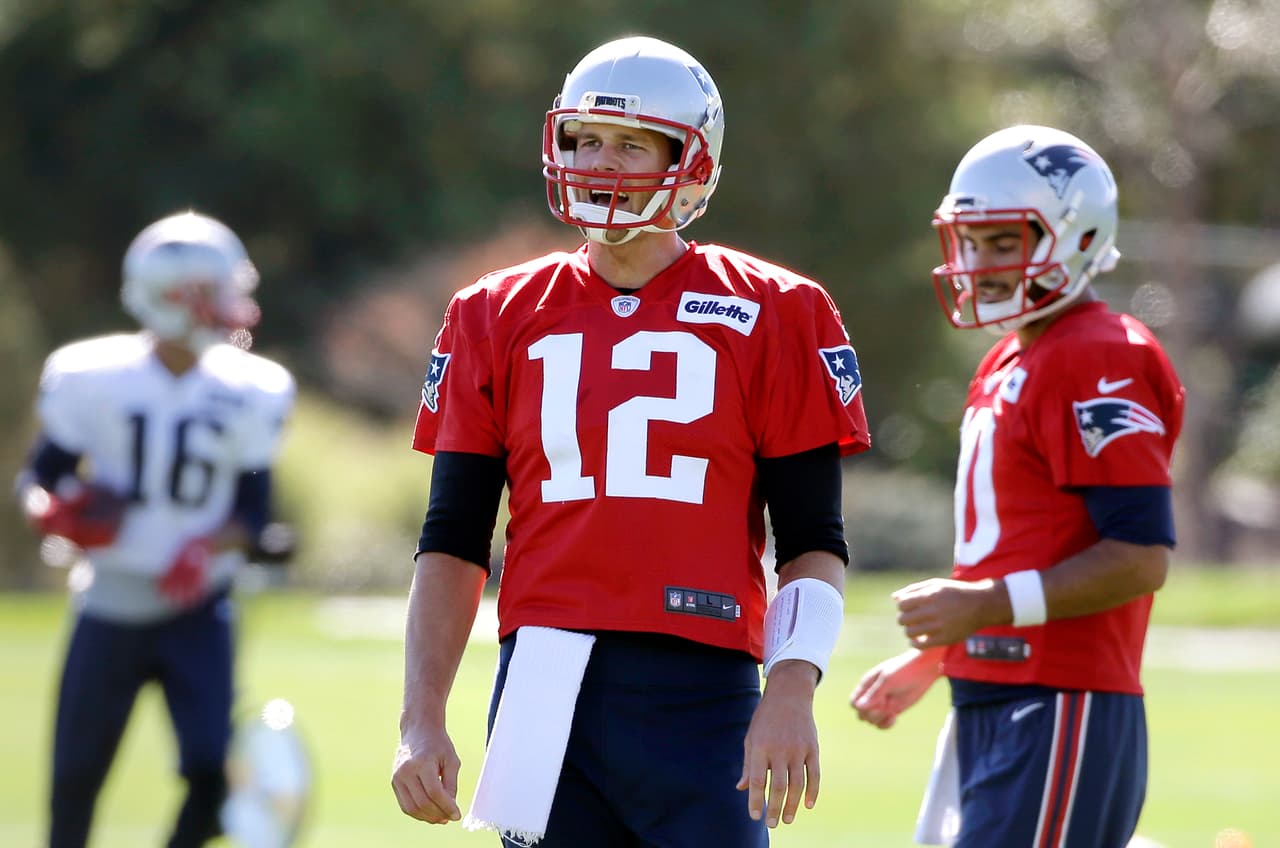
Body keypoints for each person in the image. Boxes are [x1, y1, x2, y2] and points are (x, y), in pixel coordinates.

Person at [392, 35, 870, 847]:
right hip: (541, 676)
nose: (598, 162)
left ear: (690, 161)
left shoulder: (779, 309)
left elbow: (813, 541)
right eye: (584, 139)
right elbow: (452, 541)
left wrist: (790, 688)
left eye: (629, 143)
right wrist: (421, 719)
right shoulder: (493, 310)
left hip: (703, 679)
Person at [850, 125, 1186, 847]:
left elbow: (1140, 555)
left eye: (1004, 243)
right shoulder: (1011, 358)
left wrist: (981, 605)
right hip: (998, 696)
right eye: (972, 242)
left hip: (1060, 698)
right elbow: (1028, 545)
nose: (981, 264)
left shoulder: (1099, 354)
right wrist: (945, 652)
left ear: (1076, 236)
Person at [16, 210, 296, 848]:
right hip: (110, 602)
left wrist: (206, 547)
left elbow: (253, 514)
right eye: (217, 290)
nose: (232, 305)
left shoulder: (252, 386)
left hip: (198, 608)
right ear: (176, 299)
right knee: (75, 782)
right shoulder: (93, 376)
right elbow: (41, 477)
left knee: (208, 773)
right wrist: (53, 513)